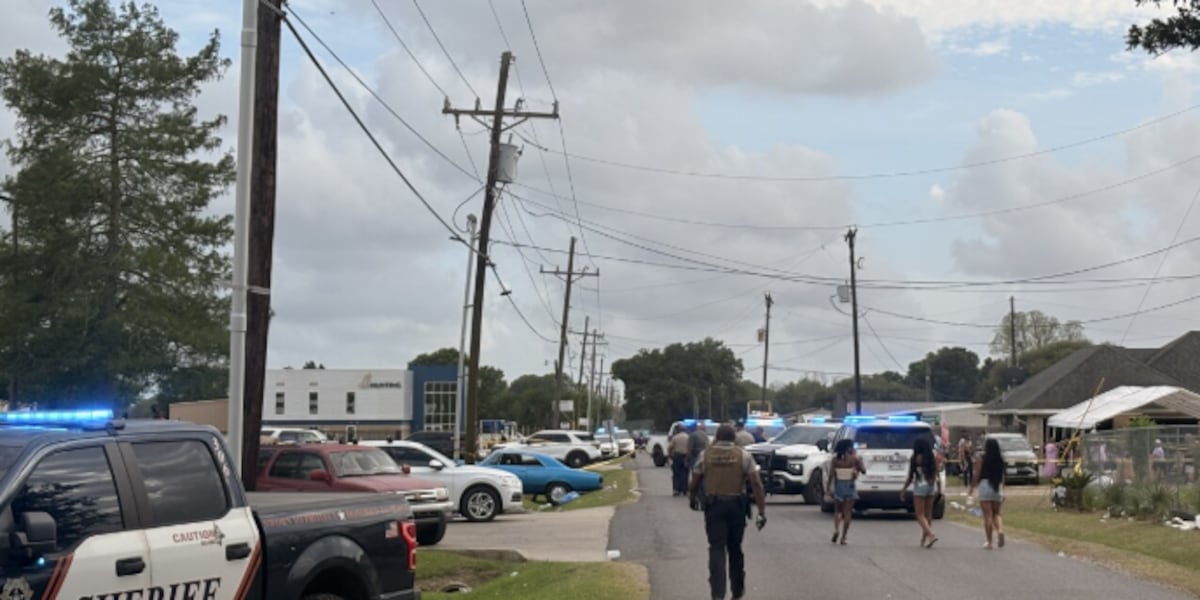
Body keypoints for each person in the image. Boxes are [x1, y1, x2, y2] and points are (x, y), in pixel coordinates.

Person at [688, 424, 766, 600]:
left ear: (717, 437)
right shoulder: (743, 456)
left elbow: (695, 480)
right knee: (735, 548)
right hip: (736, 506)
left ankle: (717, 593)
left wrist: (692, 498)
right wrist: (761, 511)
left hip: (714, 505)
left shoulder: (705, 455)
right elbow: (756, 484)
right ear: (734, 438)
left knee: (716, 548)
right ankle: (737, 590)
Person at [900, 437, 941, 548]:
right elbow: (936, 472)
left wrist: (903, 489)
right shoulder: (931, 458)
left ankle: (930, 534)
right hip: (931, 486)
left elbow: (910, 476)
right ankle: (924, 538)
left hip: (920, 486)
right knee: (928, 515)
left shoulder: (916, 458)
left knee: (919, 514)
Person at [824, 439, 865, 545]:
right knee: (847, 513)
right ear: (849, 448)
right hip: (850, 486)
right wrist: (860, 461)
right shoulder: (854, 459)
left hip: (839, 486)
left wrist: (828, 488)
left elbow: (831, 475)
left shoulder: (835, 460)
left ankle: (836, 529)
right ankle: (843, 537)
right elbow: (863, 470)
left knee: (837, 511)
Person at [970, 438, 1006, 548]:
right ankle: (1000, 530)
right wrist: (1002, 490)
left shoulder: (981, 458)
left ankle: (989, 541)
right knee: (997, 513)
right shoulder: (1000, 460)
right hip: (997, 486)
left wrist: (972, 488)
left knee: (988, 515)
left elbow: (977, 473)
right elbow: (1003, 477)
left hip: (985, 485)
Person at [670, 426, 691, 496]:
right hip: (686, 456)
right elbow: (690, 448)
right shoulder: (688, 437)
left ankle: (676, 489)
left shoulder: (675, 437)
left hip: (677, 456)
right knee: (685, 473)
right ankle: (685, 490)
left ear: (678, 430)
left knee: (676, 473)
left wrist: (670, 455)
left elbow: (670, 447)